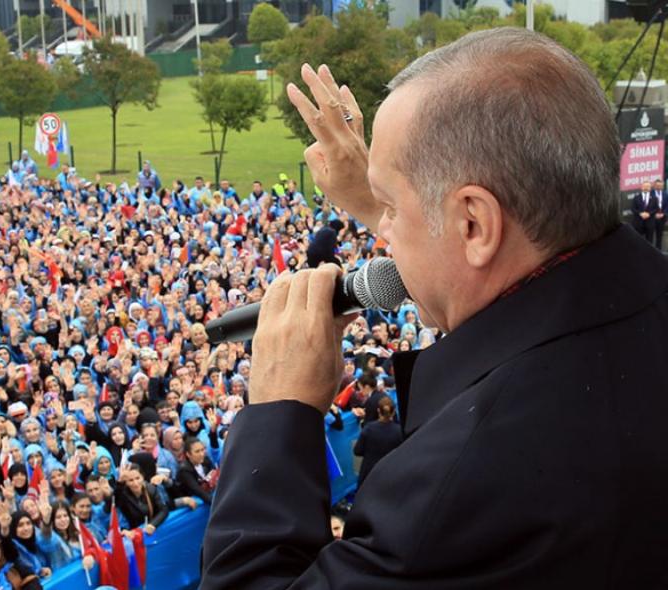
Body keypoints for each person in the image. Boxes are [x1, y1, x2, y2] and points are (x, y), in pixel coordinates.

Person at [202, 27, 668, 587]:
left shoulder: (464, 483)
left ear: (473, 223)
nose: (383, 231)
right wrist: (393, 205)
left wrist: (279, 413)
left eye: (392, 208)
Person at [352, 397, 402, 486]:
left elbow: (357, 451)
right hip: (391, 472)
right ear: (394, 412)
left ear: (378, 411)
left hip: (369, 472)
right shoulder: (399, 431)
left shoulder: (369, 429)